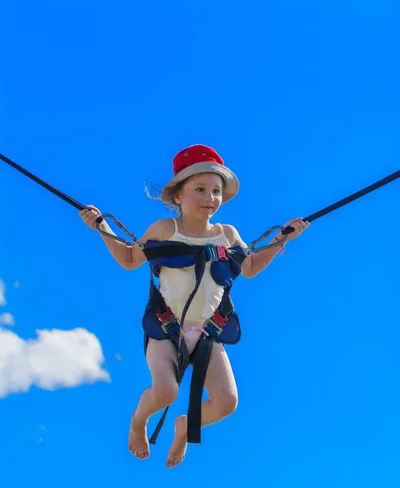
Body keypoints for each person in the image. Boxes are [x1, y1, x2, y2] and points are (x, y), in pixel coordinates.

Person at [79, 144, 310, 468]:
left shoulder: (227, 235)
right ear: (178, 196)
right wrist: (101, 227)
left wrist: (283, 238)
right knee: (166, 392)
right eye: (200, 190)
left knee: (227, 402)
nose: (209, 197)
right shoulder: (164, 229)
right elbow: (130, 259)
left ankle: (187, 427)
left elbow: (251, 266)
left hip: (206, 332)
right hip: (165, 327)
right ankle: (137, 420)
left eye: (215, 191)